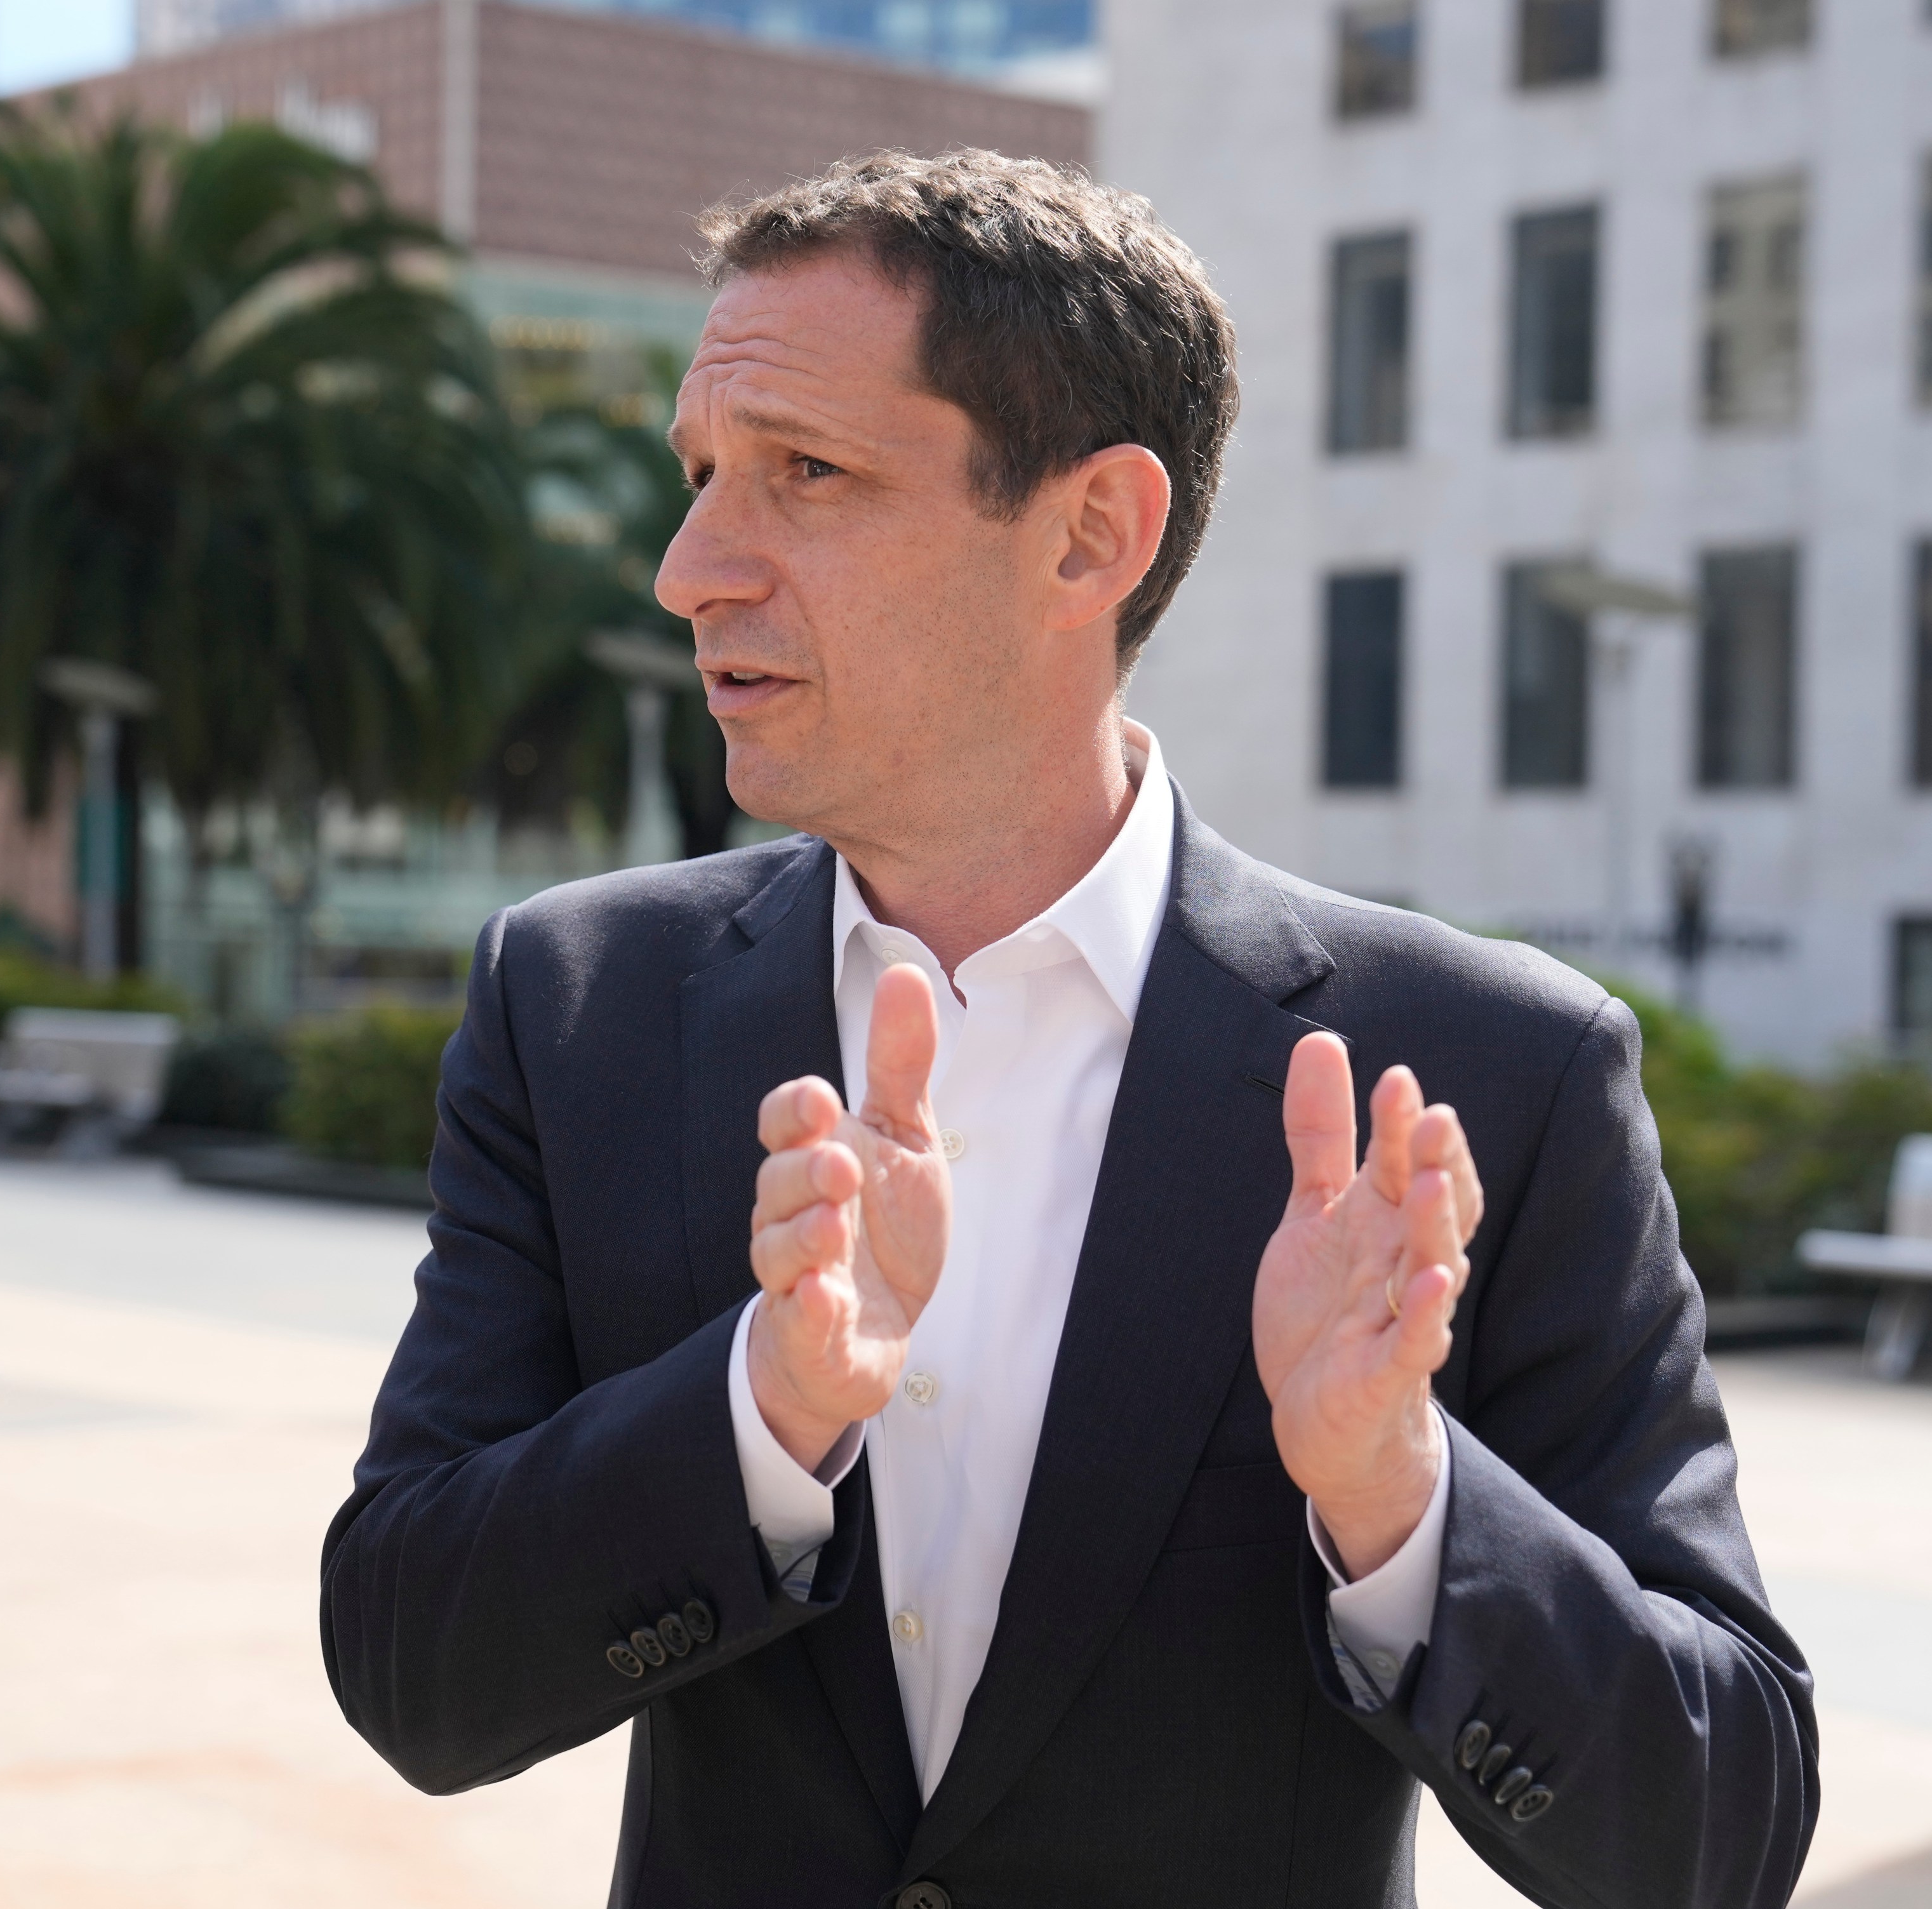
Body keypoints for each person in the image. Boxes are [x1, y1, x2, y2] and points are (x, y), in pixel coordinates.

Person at [320, 151, 1815, 1908]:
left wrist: (1402, 1497)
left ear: (1093, 531)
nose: (688, 570)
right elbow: (413, 1665)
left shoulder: (1495, 1069)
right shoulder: (573, 1004)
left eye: (804, 472)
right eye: (702, 476)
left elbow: (1716, 1836)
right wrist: (760, 1412)